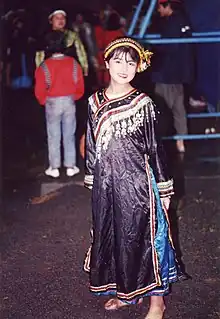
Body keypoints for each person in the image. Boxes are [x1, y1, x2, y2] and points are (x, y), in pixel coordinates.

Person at [84, 37, 178, 318]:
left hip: (138, 185)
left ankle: (157, 302)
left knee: (148, 239)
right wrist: (93, 181)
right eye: (118, 60)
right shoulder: (93, 101)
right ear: (106, 63)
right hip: (106, 185)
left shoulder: (144, 103)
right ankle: (127, 293)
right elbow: (91, 144)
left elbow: (155, 148)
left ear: (139, 66)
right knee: (115, 238)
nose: (124, 67)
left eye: (131, 62)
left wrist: (164, 190)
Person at [35, 31, 84, 178]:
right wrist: (75, 96)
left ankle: (54, 167)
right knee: (69, 134)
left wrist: (43, 100)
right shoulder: (73, 63)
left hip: (52, 102)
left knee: (53, 135)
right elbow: (79, 84)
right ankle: (71, 166)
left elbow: (39, 89)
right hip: (69, 101)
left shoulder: (44, 66)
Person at [151, 0, 193, 153]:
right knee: (178, 110)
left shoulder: (171, 24)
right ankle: (181, 142)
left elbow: (166, 47)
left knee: (162, 109)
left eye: (159, 8)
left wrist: (152, 49)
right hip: (179, 74)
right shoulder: (183, 20)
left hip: (166, 74)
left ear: (166, 6)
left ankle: (159, 143)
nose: (158, 11)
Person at [35, 10, 88, 76]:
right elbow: (39, 56)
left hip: (69, 71)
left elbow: (81, 52)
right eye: (57, 18)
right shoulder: (44, 37)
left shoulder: (72, 35)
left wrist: (84, 68)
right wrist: (39, 71)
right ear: (51, 21)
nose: (60, 20)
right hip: (51, 72)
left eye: (63, 18)